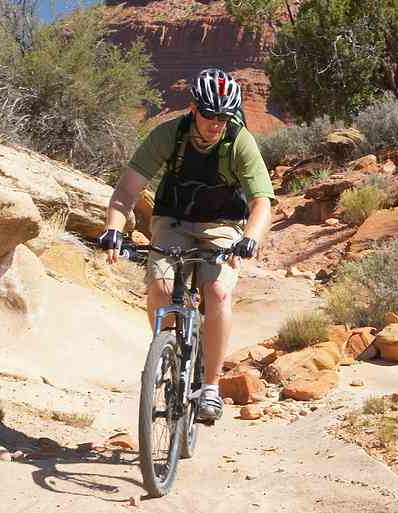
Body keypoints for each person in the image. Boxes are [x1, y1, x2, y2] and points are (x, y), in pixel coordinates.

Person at [97, 68, 274, 425]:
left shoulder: (239, 141)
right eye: (209, 114)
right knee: (161, 287)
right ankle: (166, 351)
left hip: (223, 226)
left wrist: (250, 238)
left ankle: (210, 386)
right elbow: (126, 191)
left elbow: (262, 202)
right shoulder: (168, 135)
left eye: (224, 116)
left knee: (217, 290)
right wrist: (114, 229)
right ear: (194, 108)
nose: (216, 123)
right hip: (173, 220)